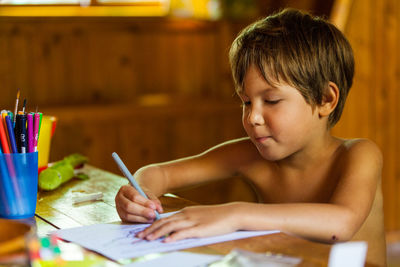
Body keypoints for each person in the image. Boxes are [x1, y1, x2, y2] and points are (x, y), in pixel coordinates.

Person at [115, 8, 385, 266]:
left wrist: (234, 214)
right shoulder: (249, 155)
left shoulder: (359, 155)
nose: (252, 117)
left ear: (326, 99)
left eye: (271, 100)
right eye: (246, 102)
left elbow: (341, 224)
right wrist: (139, 195)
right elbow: (158, 173)